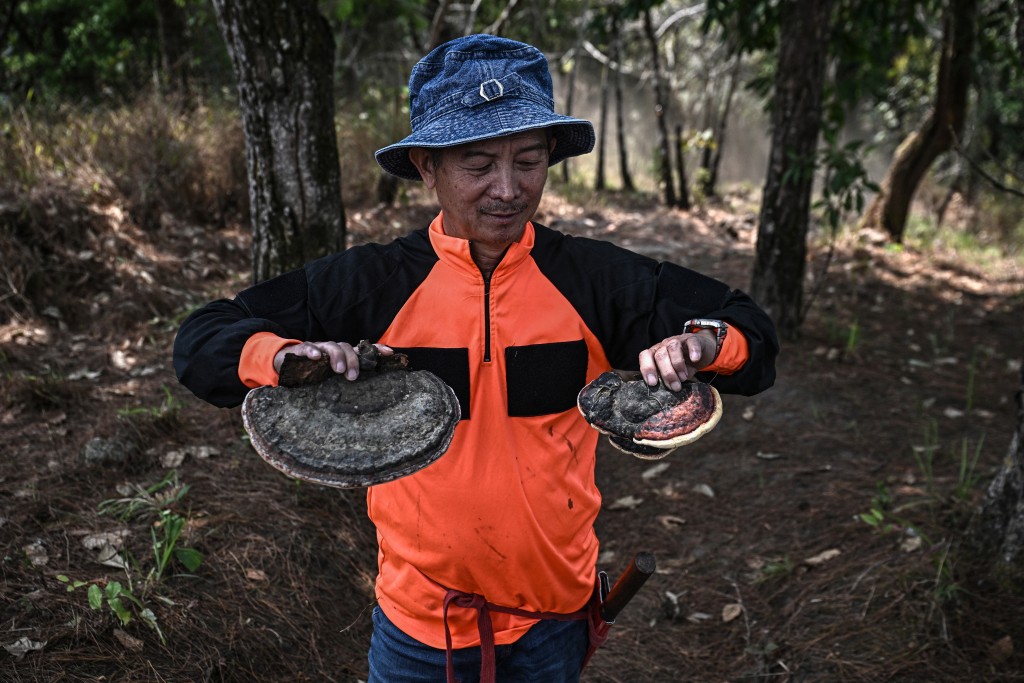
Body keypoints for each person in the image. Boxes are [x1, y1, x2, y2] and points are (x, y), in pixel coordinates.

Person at [174, 34, 778, 683]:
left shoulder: (594, 280)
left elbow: (752, 338)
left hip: (554, 621)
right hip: (417, 630)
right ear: (426, 165)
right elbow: (202, 339)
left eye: (527, 160)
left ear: (551, 155)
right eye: (478, 163)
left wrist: (706, 343)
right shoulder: (374, 285)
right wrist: (287, 356)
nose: (508, 189)